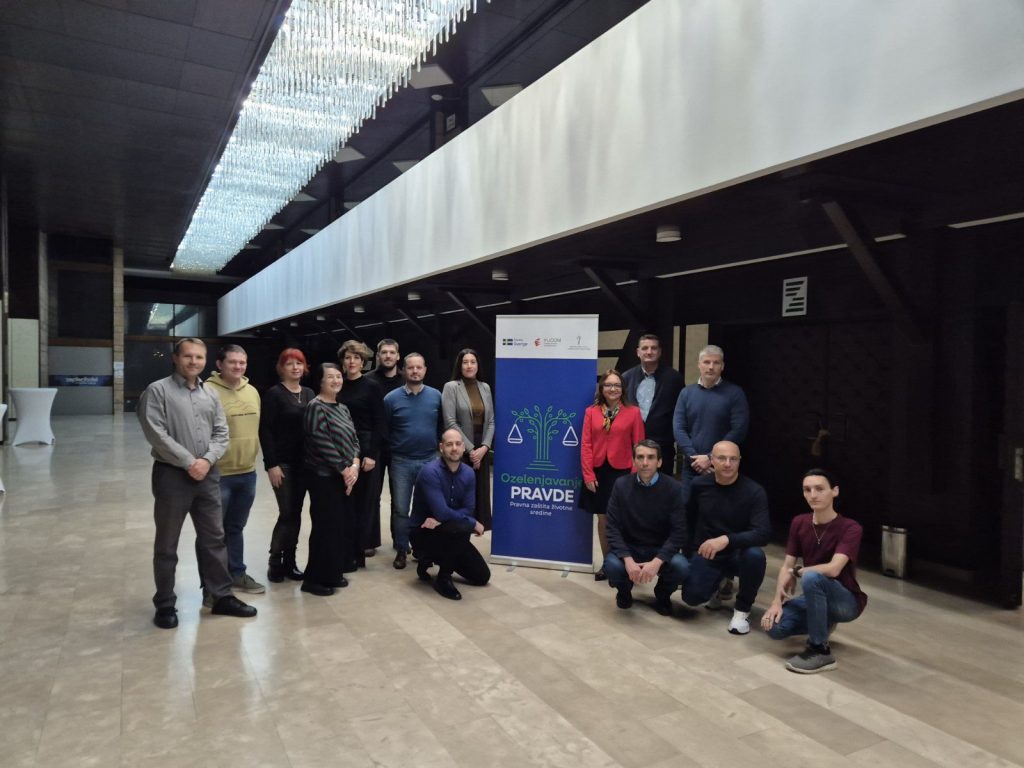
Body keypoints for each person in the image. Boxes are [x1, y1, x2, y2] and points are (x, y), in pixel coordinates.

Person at [137, 337, 256, 629]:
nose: (194, 362)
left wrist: (206, 461)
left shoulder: (209, 394)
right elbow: (156, 433)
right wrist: (189, 462)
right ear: (175, 358)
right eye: (188, 356)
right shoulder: (157, 391)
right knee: (167, 543)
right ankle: (165, 603)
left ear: (205, 361)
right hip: (172, 476)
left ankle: (220, 596)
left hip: (208, 474)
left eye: (199, 357)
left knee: (215, 538)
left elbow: (221, 433)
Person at [761, 469, 867, 673]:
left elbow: (833, 569)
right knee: (774, 627)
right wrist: (776, 602)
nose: (813, 495)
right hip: (814, 594)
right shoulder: (799, 522)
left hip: (846, 601)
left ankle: (820, 650)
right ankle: (823, 622)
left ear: (835, 491)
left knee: (811, 577)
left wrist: (798, 571)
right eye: (807, 490)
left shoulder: (850, 527)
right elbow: (787, 565)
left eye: (819, 489)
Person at [673, 344, 750, 605]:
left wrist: (712, 457)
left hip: (723, 470)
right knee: (688, 515)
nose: (711, 367)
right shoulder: (686, 393)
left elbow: (739, 429)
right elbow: (679, 427)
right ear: (699, 364)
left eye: (716, 363)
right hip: (691, 467)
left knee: (722, 519)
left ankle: (725, 576)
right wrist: (694, 456)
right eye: (706, 362)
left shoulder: (734, 393)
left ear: (722, 366)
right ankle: (690, 568)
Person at [681, 440, 770, 635]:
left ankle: (742, 611)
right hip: (708, 551)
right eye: (722, 458)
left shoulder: (754, 491)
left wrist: (726, 540)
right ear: (712, 460)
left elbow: (762, 533)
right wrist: (688, 556)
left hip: (738, 553)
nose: (728, 464)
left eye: (733, 459)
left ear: (739, 461)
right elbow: (688, 521)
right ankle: (718, 584)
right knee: (691, 597)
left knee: (755, 555)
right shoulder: (699, 485)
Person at [603, 440, 689, 615]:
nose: (645, 462)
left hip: (659, 548)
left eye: (650, 457)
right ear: (633, 461)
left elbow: (679, 532)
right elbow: (612, 527)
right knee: (611, 565)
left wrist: (658, 561)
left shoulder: (674, 488)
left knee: (681, 566)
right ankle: (624, 591)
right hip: (630, 547)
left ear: (659, 462)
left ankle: (663, 594)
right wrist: (628, 560)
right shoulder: (621, 485)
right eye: (640, 457)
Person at [205, 344, 264, 595]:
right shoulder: (207, 391)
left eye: (242, 362)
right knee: (213, 533)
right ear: (220, 364)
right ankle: (212, 585)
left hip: (247, 473)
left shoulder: (252, 391)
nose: (238, 367)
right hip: (218, 474)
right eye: (232, 362)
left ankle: (236, 573)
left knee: (235, 528)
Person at [410, 428, 491, 600]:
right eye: (449, 444)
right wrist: (472, 523)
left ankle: (431, 559)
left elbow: (467, 510)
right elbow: (443, 511)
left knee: (482, 576)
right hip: (424, 533)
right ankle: (443, 577)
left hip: (451, 531)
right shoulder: (429, 472)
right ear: (441, 447)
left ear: (463, 447)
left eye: (458, 444)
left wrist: (442, 518)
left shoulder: (469, 473)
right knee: (462, 525)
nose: (454, 448)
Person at [301, 362, 361, 596]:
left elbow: (354, 439)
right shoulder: (315, 407)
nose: (336, 380)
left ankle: (332, 573)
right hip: (324, 478)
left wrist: (354, 465)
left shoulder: (343, 408)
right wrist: (344, 470)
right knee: (324, 529)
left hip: (343, 476)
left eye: (338, 376)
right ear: (320, 381)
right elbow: (320, 440)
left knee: (338, 528)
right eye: (330, 377)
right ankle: (313, 579)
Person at [581, 369, 645, 581]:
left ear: (623, 389)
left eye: (617, 385)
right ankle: (608, 564)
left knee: (624, 519)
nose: (612, 389)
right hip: (599, 472)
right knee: (603, 519)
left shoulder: (633, 412)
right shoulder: (591, 412)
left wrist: (636, 475)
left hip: (624, 472)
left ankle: (627, 563)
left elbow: (639, 446)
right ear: (602, 388)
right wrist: (588, 474)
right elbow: (586, 445)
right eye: (608, 385)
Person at [382, 353, 443, 570]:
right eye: (410, 367)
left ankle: (423, 548)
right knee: (401, 509)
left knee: (428, 507)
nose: (415, 371)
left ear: (425, 370)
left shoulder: (436, 396)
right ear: (403, 370)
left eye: (419, 367)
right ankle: (401, 549)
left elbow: (441, 427)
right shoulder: (391, 399)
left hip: (430, 460)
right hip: (401, 462)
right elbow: (385, 429)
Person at [260, 348, 315, 583]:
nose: (295, 367)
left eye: (299, 363)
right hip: (283, 464)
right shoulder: (274, 394)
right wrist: (271, 465)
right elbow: (265, 431)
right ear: (281, 368)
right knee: (287, 513)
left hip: (306, 463)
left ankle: (290, 562)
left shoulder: (309, 393)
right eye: (289, 363)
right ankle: (275, 561)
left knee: (297, 513)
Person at [338, 339, 385, 571]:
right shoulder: (337, 384)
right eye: (348, 357)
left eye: (356, 357)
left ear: (363, 361)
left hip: (366, 448)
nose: (352, 361)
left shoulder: (372, 386)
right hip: (342, 447)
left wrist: (372, 455)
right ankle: (345, 549)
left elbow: (379, 423)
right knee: (345, 501)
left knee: (365, 502)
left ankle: (360, 551)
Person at [441, 348, 495, 530]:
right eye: (465, 362)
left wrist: (484, 447)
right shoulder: (451, 387)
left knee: (481, 488)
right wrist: (471, 450)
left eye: (473, 362)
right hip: (460, 444)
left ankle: (481, 524)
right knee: (462, 488)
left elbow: (491, 421)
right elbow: (450, 421)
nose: (469, 365)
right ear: (460, 365)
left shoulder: (485, 387)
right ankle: (462, 524)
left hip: (482, 445)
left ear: (478, 365)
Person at [621, 334, 684, 472]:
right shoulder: (626, 378)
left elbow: (680, 412)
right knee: (632, 484)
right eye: (645, 348)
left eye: (653, 348)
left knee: (662, 484)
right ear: (638, 352)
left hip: (662, 447)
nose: (649, 352)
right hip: (631, 445)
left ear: (660, 351)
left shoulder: (674, 379)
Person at [366, 338, 404, 556]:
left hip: (399, 446)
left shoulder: (406, 380)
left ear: (398, 356)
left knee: (400, 498)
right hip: (375, 447)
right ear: (378, 356)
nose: (388, 356)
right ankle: (370, 541)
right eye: (384, 352)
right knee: (372, 495)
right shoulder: (368, 381)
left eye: (392, 352)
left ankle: (400, 539)